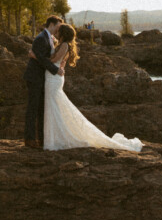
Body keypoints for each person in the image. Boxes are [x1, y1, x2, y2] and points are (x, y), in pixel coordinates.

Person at [40, 24, 143, 152]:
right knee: (53, 106)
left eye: (58, 31)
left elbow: (54, 59)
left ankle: (56, 138)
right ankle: (54, 137)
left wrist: (39, 57)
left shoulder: (65, 45)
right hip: (52, 76)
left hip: (54, 78)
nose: (56, 33)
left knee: (54, 105)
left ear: (63, 33)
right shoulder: (62, 44)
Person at [23, 15, 64, 148]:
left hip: (42, 78)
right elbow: (41, 59)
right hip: (34, 77)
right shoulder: (41, 38)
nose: (58, 29)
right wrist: (55, 70)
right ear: (51, 24)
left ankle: (42, 139)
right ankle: (30, 139)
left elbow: (44, 57)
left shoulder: (49, 38)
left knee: (41, 109)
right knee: (33, 108)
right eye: (58, 26)